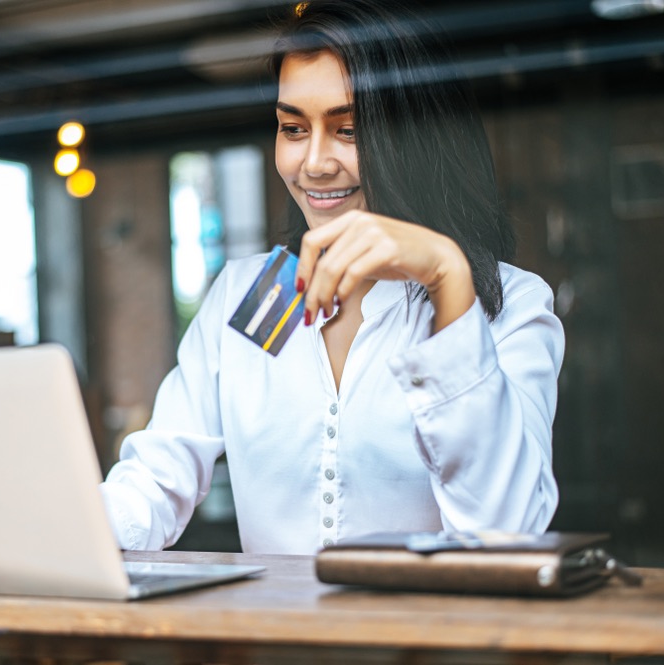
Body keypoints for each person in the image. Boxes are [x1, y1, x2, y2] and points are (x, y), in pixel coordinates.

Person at [99, 0, 565, 554]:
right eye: (293, 128)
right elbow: (153, 484)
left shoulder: (510, 305)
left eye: (347, 129)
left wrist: (446, 278)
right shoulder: (252, 295)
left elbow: (509, 536)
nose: (314, 163)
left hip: (429, 639)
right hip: (277, 638)